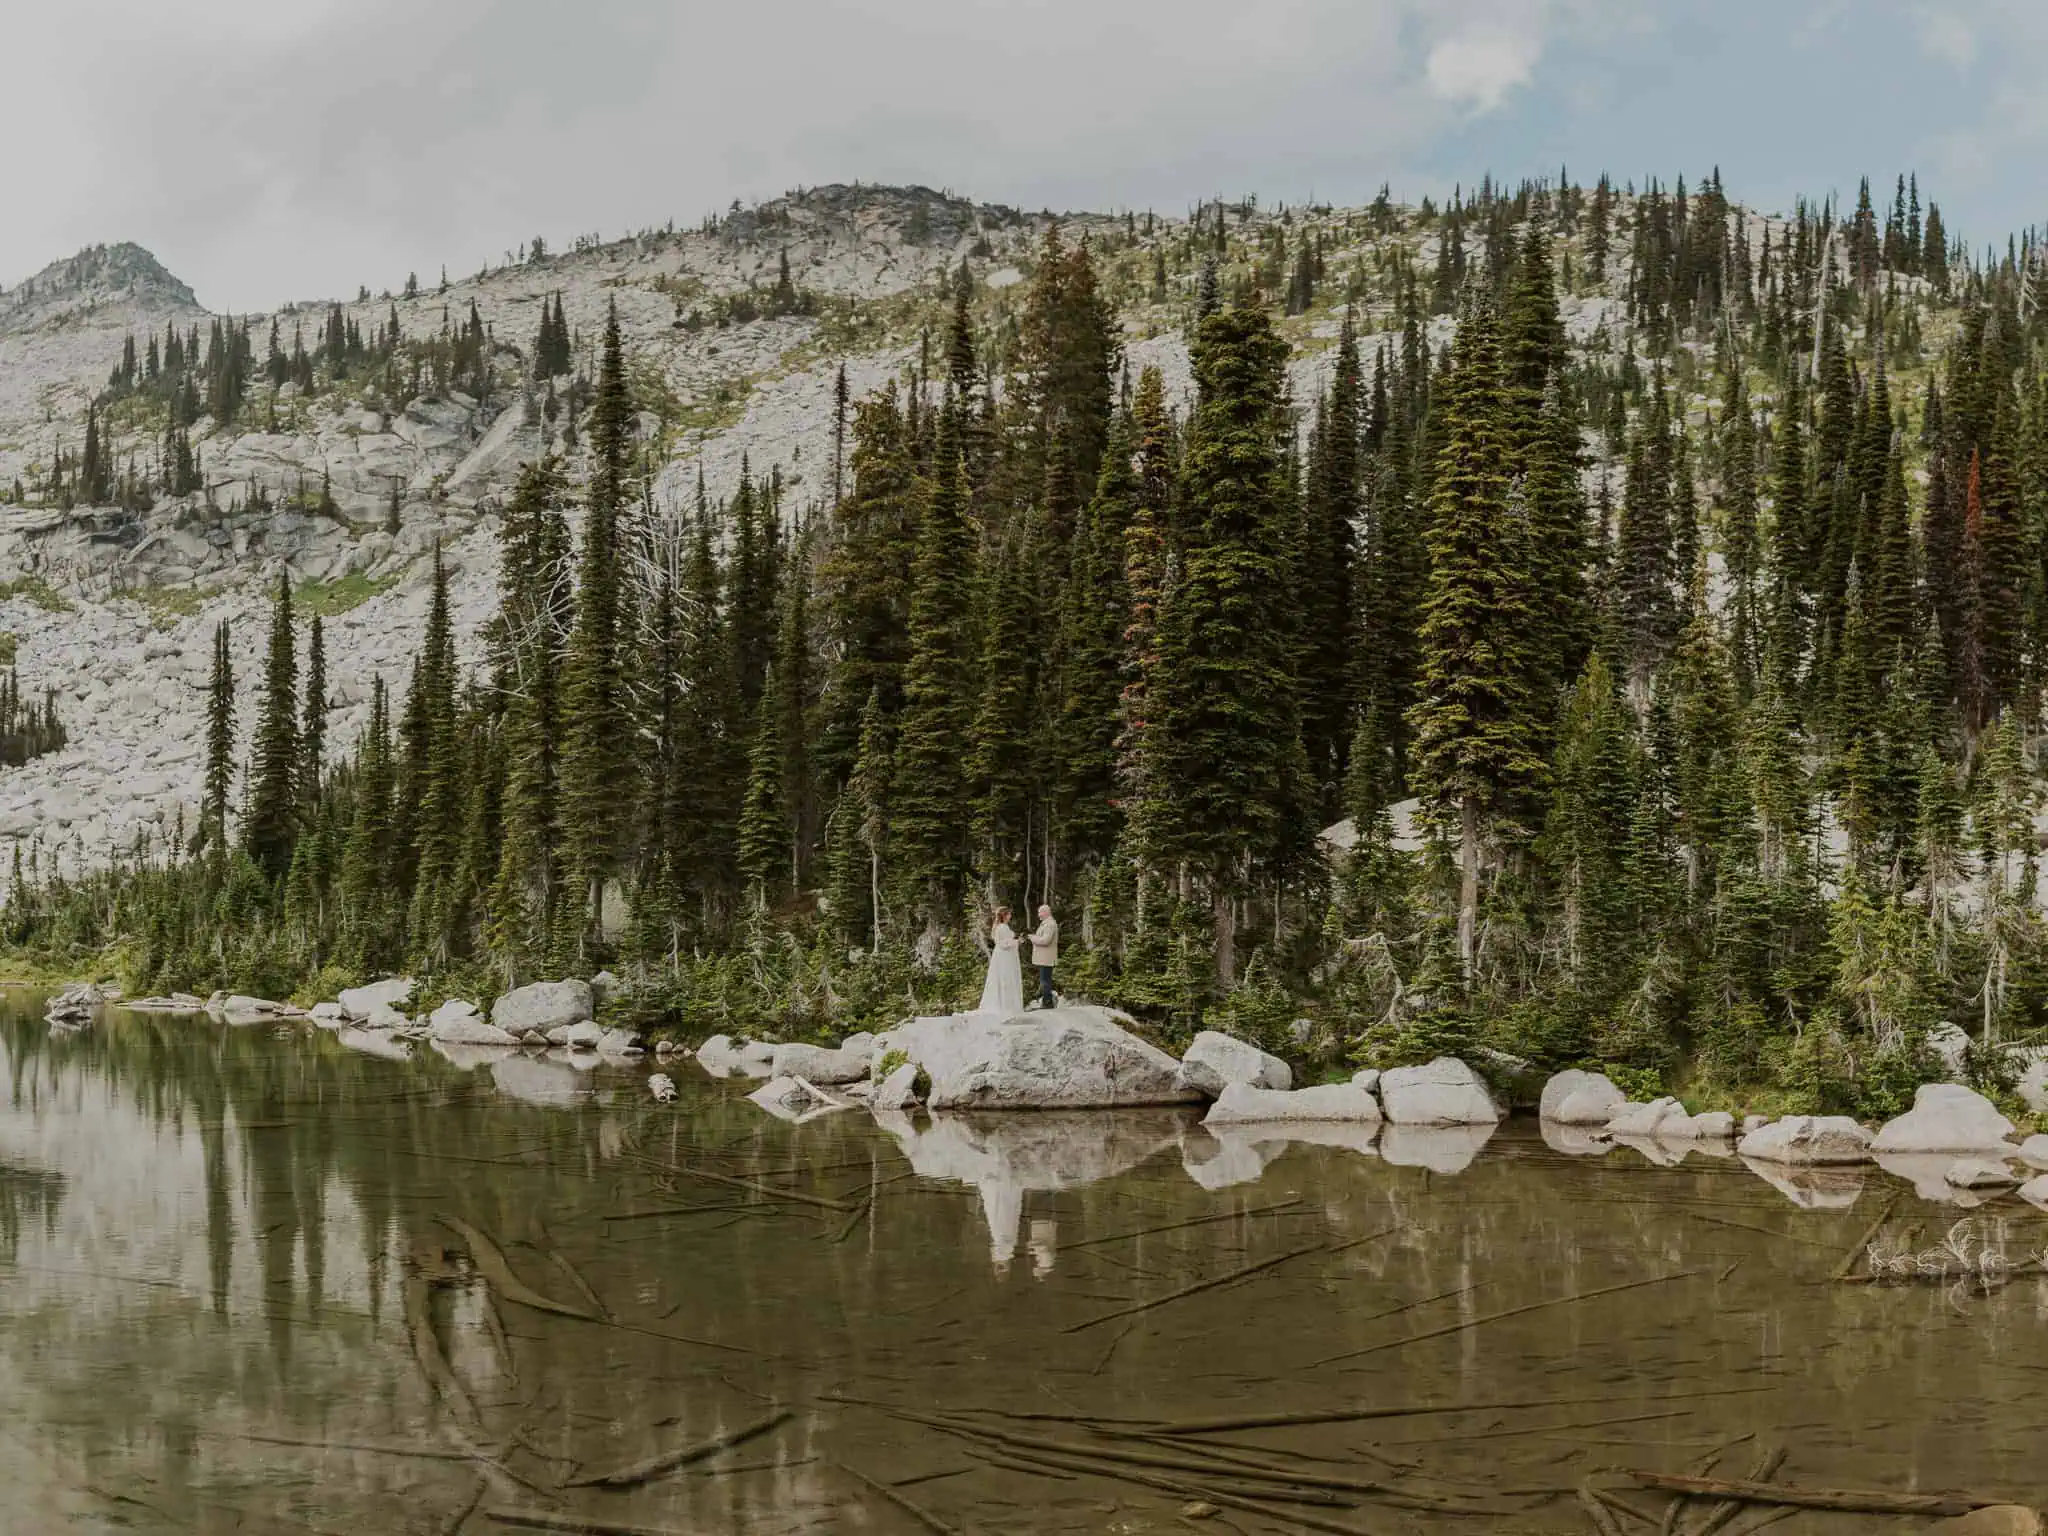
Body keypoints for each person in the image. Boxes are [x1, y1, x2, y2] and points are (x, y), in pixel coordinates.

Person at [974, 906, 1025, 1019]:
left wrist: (1015, 941)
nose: (1010, 916)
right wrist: (1017, 942)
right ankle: (1007, 1006)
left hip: (1003, 955)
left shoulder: (1000, 927)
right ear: (1005, 915)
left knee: (1005, 977)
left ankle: (1008, 1005)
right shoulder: (1002, 927)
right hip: (1004, 956)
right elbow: (1003, 944)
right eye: (1009, 914)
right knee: (1006, 978)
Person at [1028, 904, 1059, 1010]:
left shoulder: (1050, 924)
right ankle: (1046, 1001)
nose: (1038, 915)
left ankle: (1047, 1003)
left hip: (1047, 958)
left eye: (1040, 912)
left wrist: (1033, 938)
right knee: (1044, 979)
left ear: (1046, 912)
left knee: (1045, 980)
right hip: (1044, 957)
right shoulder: (1045, 923)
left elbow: (1046, 940)